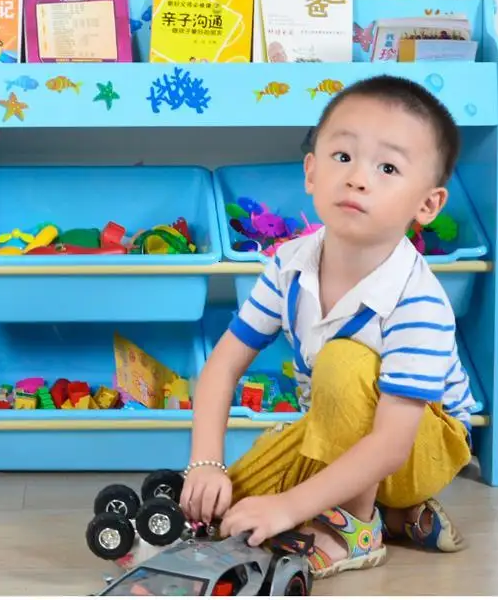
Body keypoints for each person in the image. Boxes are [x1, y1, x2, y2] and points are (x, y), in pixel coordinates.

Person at [180, 75, 477, 579]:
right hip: (336, 430)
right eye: (343, 156)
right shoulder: (288, 265)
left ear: (426, 205)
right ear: (312, 172)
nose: (358, 178)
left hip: (418, 445)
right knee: (231, 507)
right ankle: (396, 517)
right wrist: (206, 463)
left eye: (387, 167)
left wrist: (289, 507)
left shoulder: (417, 301)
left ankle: (357, 529)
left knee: (343, 361)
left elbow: (391, 443)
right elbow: (223, 366)